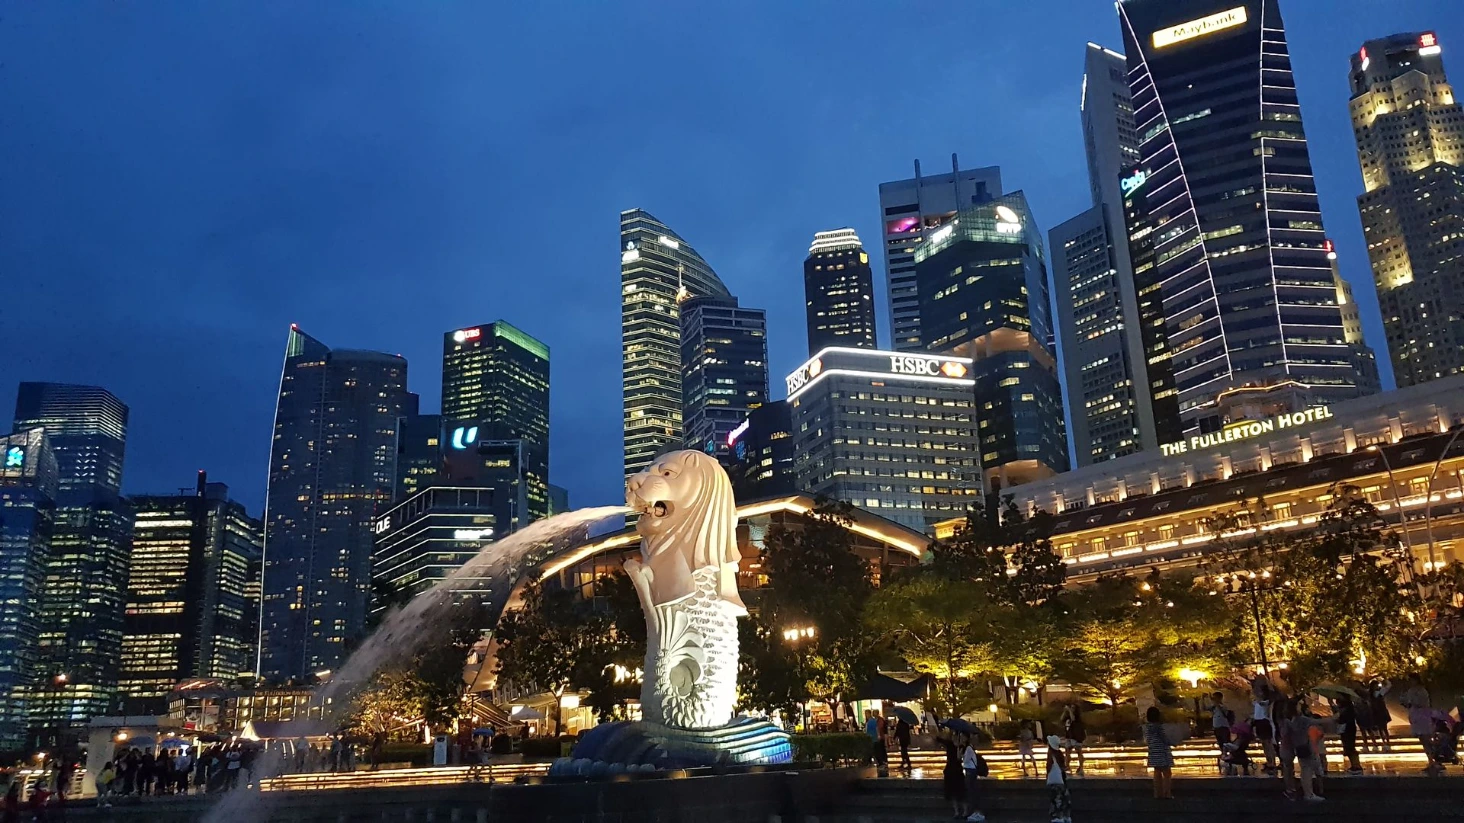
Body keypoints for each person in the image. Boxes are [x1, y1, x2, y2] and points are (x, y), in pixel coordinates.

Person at [1398, 674, 1438, 775]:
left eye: (1412, 680)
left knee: (1426, 738)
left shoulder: (1422, 691)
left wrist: (1412, 702)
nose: (1410, 682)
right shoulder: (1410, 690)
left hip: (1423, 717)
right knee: (1422, 739)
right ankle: (1431, 760)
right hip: (1415, 717)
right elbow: (1407, 702)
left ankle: (1435, 759)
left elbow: (1422, 703)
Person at [1288, 698, 1325, 802]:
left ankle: (1308, 793)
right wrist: (1335, 718)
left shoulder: (1292, 719)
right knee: (1307, 772)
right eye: (1299, 705)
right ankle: (1309, 794)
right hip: (1306, 746)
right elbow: (1320, 721)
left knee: (1305, 770)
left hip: (1298, 747)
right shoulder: (1302, 719)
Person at [1143, 706, 1173, 798]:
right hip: (1162, 752)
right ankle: (1167, 793)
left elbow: (1147, 740)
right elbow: (1164, 738)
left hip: (1153, 751)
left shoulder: (1147, 728)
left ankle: (1157, 793)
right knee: (1167, 773)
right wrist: (1172, 742)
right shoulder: (1159, 727)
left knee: (1157, 772)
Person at [937, 728, 966, 820]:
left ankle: (962, 811)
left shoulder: (961, 747)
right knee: (955, 792)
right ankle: (958, 811)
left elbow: (960, 758)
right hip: (953, 769)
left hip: (954, 769)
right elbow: (939, 739)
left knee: (958, 792)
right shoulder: (953, 745)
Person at [1250, 677, 1277, 774]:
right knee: (1264, 744)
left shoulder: (1265, 702)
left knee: (1268, 743)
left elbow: (1261, 702)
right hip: (1258, 723)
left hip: (1264, 722)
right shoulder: (1256, 702)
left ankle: (1272, 762)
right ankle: (1269, 761)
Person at [1045, 735, 1072, 823]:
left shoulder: (1051, 754)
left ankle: (1058, 817)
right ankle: (1066, 816)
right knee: (1065, 798)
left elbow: (1049, 767)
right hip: (1062, 778)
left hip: (1055, 780)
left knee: (1056, 799)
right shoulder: (1059, 753)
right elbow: (1063, 766)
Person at [961, 733, 987, 823]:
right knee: (972, 791)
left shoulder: (968, 748)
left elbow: (965, 760)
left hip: (970, 771)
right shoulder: (970, 748)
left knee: (971, 792)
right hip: (972, 771)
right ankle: (975, 811)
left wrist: (962, 755)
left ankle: (976, 812)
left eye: (963, 737)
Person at [1336, 694, 1362, 774]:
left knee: (1350, 747)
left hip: (1348, 729)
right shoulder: (1345, 707)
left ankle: (1356, 765)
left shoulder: (1349, 708)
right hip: (1346, 729)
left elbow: (1343, 717)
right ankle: (1354, 765)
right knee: (1348, 747)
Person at [1060, 703, 1086, 777]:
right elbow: (1061, 719)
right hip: (1069, 736)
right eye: (1071, 707)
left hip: (1076, 737)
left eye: (1073, 708)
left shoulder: (1077, 717)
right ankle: (1067, 766)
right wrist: (1065, 711)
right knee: (1067, 752)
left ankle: (1081, 767)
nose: (1071, 709)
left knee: (1079, 752)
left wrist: (1069, 711)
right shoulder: (1067, 717)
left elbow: (1073, 719)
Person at [1367, 678, 1392, 750]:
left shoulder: (1380, 692)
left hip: (1381, 711)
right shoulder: (1370, 693)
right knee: (1380, 728)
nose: (1376, 687)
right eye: (1375, 685)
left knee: (1384, 728)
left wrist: (1384, 679)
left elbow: (1388, 686)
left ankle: (1387, 742)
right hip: (1375, 712)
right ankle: (1384, 742)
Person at [864, 711, 888, 777]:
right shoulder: (871, 721)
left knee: (876, 750)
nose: (866, 715)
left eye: (866, 714)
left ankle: (879, 762)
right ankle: (878, 762)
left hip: (873, 738)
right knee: (875, 750)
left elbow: (877, 728)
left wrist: (878, 735)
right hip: (872, 738)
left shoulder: (872, 721)